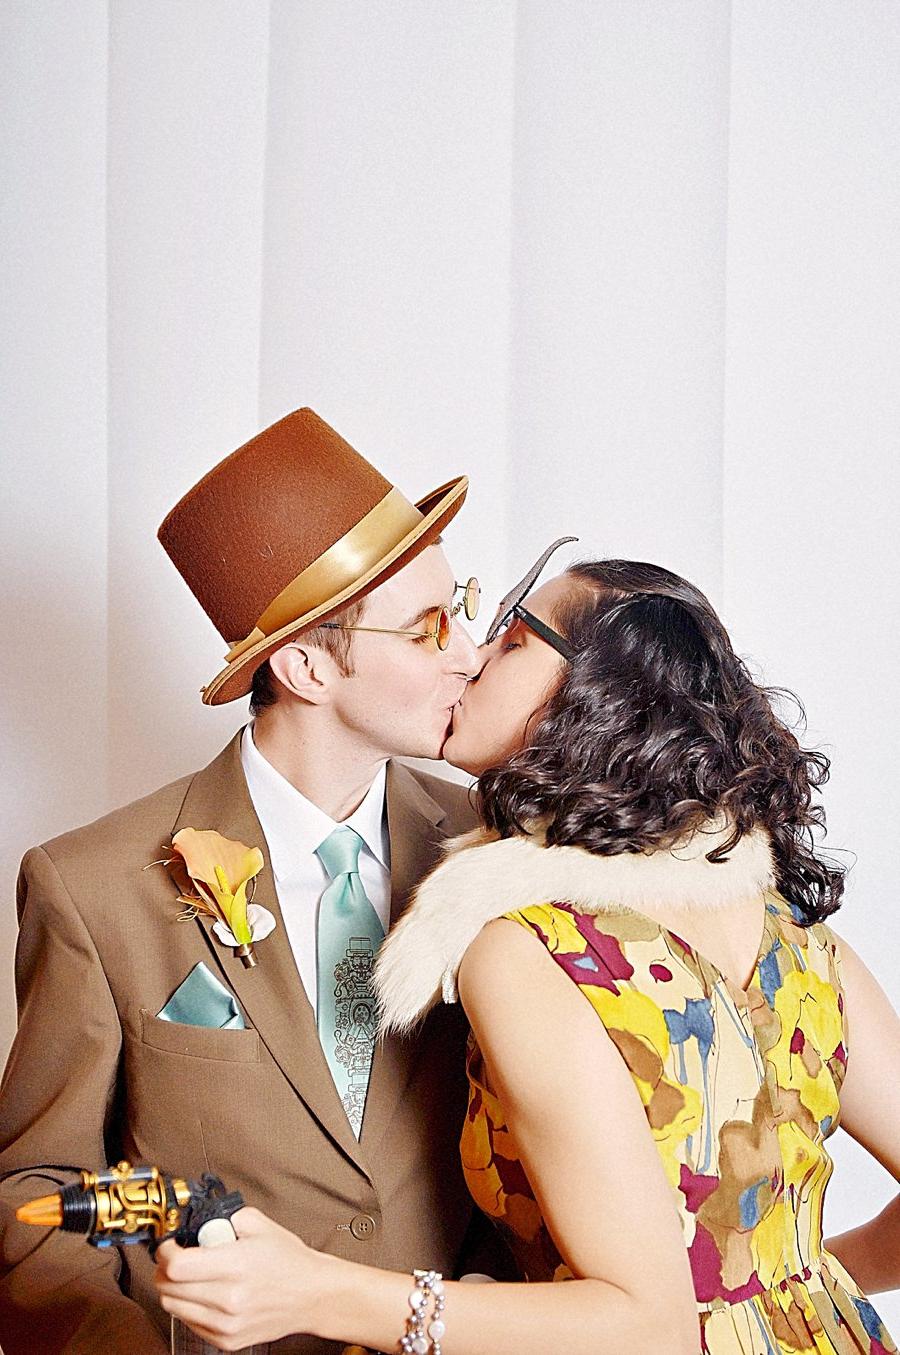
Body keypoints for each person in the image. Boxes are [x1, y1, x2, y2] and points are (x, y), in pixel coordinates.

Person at [153, 546, 899, 1355]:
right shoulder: (799, 935)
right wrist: (792, 1286)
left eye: (512, 640)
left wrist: (319, 1291)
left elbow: (648, 1328)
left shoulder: (530, 947)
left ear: (591, 694)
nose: (469, 655)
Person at [0, 408, 502, 1355]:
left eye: (462, 608)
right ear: (306, 664)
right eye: (431, 628)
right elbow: (35, 1197)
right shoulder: (91, 886)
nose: (469, 657)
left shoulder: (487, 848)